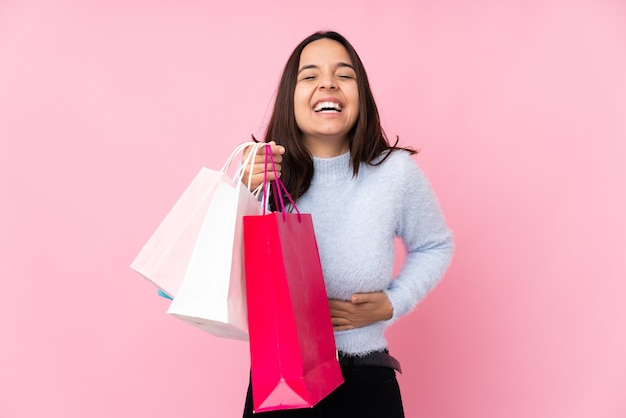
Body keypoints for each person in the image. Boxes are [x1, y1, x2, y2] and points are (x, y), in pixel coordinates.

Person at [241, 31, 454, 417]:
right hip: (281, 379)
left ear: (362, 96)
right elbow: (222, 264)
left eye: (344, 74)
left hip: (366, 381)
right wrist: (237, 191)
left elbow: (435, 245)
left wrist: (394, 302)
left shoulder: (395, 173)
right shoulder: (263, 172)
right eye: (310, 76)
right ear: (290, 96)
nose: (327, 83)